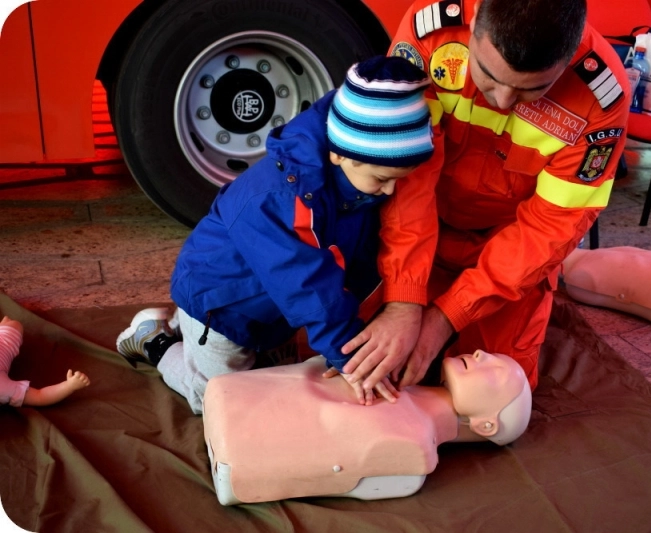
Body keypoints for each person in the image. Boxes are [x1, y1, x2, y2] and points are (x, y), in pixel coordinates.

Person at [115, 55, 436, 415]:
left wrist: (352, 337)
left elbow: (351, 265)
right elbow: (306, 284)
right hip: (222, 306)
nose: (392, 192)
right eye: (382, 179)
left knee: (279, 383)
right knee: (222, 402)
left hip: (270, 308)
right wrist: (349, 353)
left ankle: (180, 328)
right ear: (339, 156)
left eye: (399, 179)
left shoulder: (357, 185)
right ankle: (155, 341)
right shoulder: (275, 198)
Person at [339, 0, 631, 394]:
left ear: (570, 52)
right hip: (416, 231)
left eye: (534, 89)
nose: (504, 101)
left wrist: (447, 315)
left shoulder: (600, 99)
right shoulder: (432, 34)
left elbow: (551, 227)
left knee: (495, 395)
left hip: (505, 249)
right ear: (474, 24)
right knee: (349, 354)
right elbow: (409, 179)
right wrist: (404, 299)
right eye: (489, 77)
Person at [202, 349, 532, 504]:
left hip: (240, 448)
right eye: (491, 355)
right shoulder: (398, 371)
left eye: (497, 370)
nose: (480, 353)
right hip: (235, 401)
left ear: (486, 424)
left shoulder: (413, 446)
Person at [0, 316, 91, 406]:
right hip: (4, 342)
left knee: (12, 324)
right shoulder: (3, 390)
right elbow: (39, 396)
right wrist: (69, 386)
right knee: (14, 325)